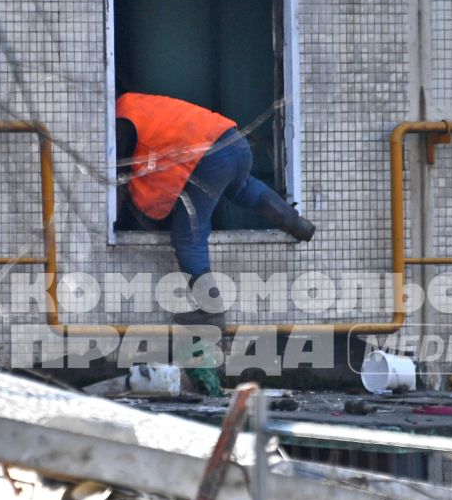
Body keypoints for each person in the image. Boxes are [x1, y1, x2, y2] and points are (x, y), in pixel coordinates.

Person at [115, 91, 315, 392]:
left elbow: (119, 172)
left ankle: (211, 310)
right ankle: (297, 224)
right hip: (233, 141)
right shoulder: (137, 104)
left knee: (189, 237)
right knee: (244, 187)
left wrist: (114, 219)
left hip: (206, 156)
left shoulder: (122, 119)